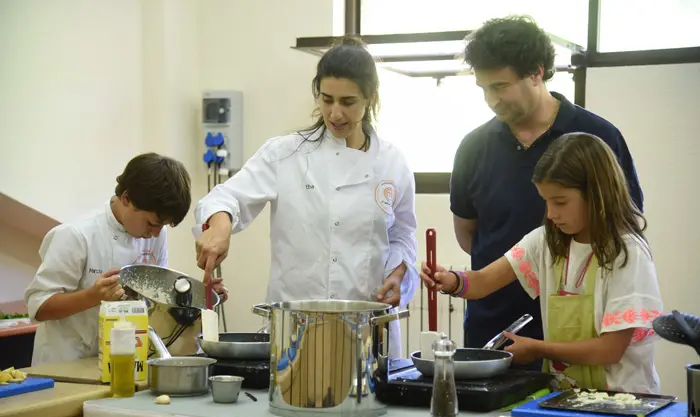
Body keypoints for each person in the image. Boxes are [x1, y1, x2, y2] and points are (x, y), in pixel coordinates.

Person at [194, 37, 418, 357]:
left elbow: (403, 236)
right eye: (327, 99)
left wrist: (399, 272)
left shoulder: (392, 164)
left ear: (370, 98)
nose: (335, 113)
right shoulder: (286, 154)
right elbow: (225, 197)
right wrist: (219, 227)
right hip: (294, 332)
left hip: (368, 334)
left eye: (348, 101)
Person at [450, 16, 644, 359]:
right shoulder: (473, 147)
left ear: (537, 72)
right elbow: (468, 234)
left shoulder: (598, 138)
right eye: (483, 89)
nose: (491, 100)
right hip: (493, 326)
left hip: (583, 332)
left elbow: (623, 224)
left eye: (500, 86)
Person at [423, 132, 662, 393]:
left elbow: (610, 349)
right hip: (566, 398)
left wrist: (538, 348)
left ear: (597, 194)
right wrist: (451, 280)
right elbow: (483, 282)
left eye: (560, 202)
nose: (551, 213)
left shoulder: (627, 253)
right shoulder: (547, 241)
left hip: (624, 402)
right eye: (545, 201)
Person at [24, 153, 224, 365]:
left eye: (162, 226)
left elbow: (157, 300)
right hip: (67, 362)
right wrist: (92, 296)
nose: (156, 234)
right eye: (151, 223)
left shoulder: (155, 235)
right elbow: (38, 307)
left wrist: (199, 296)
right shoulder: (75, 235)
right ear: (127, 199)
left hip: (126, 358)